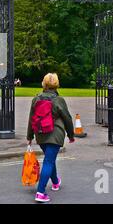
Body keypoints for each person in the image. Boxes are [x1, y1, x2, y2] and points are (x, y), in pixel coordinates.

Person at [26, 73, 74, 203]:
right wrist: (71, 135)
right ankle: (40, 192)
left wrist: (29, 136)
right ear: (56, 84)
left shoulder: (36, 99)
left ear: (44, 84)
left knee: (49, 159)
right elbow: (67, 119)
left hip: (40, 134)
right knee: (48, 161)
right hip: (55, 134)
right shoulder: (59, 100)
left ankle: (55, 182)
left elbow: (31, 119)